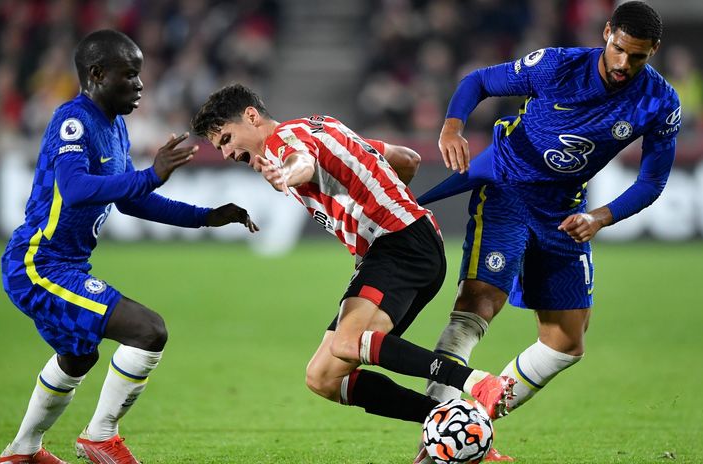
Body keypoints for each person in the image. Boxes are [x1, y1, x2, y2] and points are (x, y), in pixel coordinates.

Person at [415, 2, 681, 462]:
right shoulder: (557, 65)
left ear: (653, 50)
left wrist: (600, 217)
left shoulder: (659, 102)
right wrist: (452, 127)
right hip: (507, 191)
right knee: (478, 302)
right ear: (606, 34)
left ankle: (466, 428)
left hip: (565, 212)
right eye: (618, 50)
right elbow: (477, 81)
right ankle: (435, 437)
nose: (623, 64)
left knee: (565, 342)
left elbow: (652, 181)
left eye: (637, 57)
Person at [190, 84, 515, 438]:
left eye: (225, 139)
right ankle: (456, 424)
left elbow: (301, 161)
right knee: (324, 376)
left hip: (398, 243)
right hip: (409, 242)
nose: (225, 154)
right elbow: (408, 158)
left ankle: (476, 382)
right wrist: (378, 196)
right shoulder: (322, 125)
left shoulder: (284, 140)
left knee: (348, 342)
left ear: (251, 117)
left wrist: (287, 173)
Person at [0, 30, 258, 464]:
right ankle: (100, 436)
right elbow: (76, 188)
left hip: (67, 266)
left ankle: (22, 451)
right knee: (148, 330)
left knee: (77, 356)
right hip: (38, 265)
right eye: (131, 75)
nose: (140, 84)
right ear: (97, 75)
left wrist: (204, 216)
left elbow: (130, 197)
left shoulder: (114, 126)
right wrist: (152, 173)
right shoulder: (73, 121)